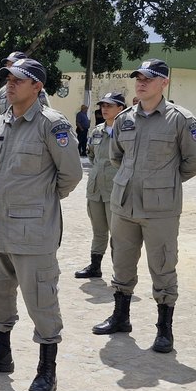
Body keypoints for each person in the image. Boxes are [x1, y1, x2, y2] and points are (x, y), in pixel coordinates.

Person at [0, 58, 81, 391]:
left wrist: (41, 202)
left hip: (34, 231)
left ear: (37, 87)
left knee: (41, 299)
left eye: (19, 79)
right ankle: (1, 353)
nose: (10, 84)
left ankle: (47, 370)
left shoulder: (51, 124)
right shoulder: (0, 123)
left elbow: (71, 175)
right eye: (9, 79)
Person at [92, 59, 196, 354]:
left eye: (148, 78)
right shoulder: (125, 118)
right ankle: (121, 317)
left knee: (163, 266)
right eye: (138, 78)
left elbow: (195, 162)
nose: (141, 83)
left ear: (164, 83)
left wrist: (163, 182)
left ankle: (164, 330)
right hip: (124, 204)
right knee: (122, 263)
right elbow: (117, 157)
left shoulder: (181, 119)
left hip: (161, 210)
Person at [73, 92, 126, 279]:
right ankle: (95, 266)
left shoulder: (127, 132)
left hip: (115, 190)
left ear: (121, 108)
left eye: (109, 106)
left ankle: (120, 273)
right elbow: (92, 155)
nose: (104, 109)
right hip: (95, 189)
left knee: (118, 233)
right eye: (103, 105)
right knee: (98, 230)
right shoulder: (97, 130)